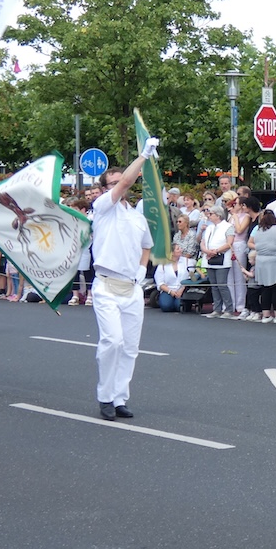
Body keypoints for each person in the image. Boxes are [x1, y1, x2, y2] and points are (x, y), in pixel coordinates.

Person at [90, 139, 157, 421]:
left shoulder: (137, 217)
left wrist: (142, 270)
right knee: (112, 342)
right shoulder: (103, 206)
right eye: (113, 183)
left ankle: (119, 398)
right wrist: (143, 156)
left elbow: (147, 245)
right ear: (106, 187)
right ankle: (105, 396)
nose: (120, 185)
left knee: (130, 347)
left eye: (119, 181)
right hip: (106, 285)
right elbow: (127, 181)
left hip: (131, 287)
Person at [248, 209, 276, 323]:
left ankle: (266, 315)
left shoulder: (258, 231)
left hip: (262, 262)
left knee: (265, 288)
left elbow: (253, 243)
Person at [200, 204, 235, 318]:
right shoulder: (209, 227)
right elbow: (203, 242)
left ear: (218, 215)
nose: (209, 215)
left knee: (221, 284)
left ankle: (229, 309)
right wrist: (206, 250)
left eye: (211, 214)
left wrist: (216, 251)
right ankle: (217, 309)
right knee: (214, 285)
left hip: (222, 259)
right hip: (209, 258)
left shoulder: (228, 226)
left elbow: (229, 242)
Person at [153, 246, 185, 312]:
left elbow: (191, 278)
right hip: (168, 290)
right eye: (178, 249)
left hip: (182, 290)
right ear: (172, 253)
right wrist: (170, 291)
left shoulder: (186, 261)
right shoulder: (163, 264)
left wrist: (182, 289)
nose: (181, 250)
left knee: (179, 306)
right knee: (166, 306)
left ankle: (177, 303)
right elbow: (160, 282)